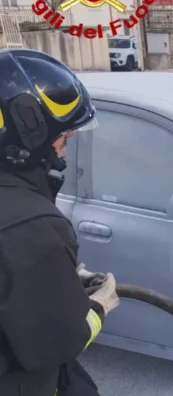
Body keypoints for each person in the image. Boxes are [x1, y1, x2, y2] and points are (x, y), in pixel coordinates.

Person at [0, 49, 119, 396]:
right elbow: (61, 341)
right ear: (28, 135)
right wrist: (99, 306)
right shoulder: (32, 226)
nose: (69, 141)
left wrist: (58, 275)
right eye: (63, 134)